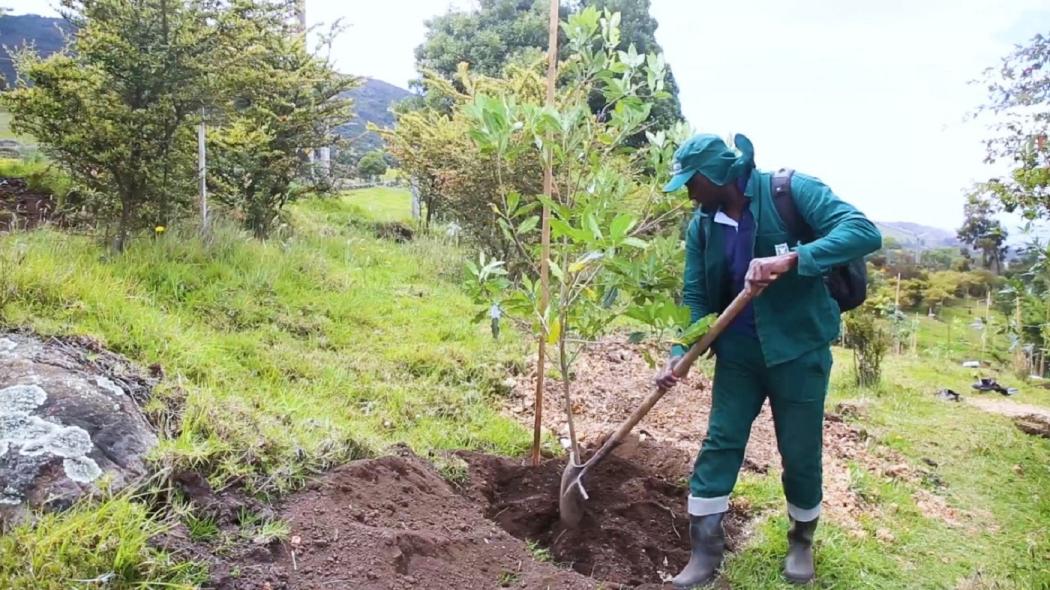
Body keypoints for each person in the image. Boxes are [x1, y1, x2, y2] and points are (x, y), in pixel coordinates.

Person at [655, 133, 881, 587]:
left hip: (799, 350)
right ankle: (705, 551)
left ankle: (801, 540)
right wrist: (682, 350)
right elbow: (698, 295)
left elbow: (863, 232)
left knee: (799, 452)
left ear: (716, 175)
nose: (687, 191)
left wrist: (794, 259)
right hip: (738, 352)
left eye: (691, 181)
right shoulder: (703, 225)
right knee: (721, 442)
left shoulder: (791, 191)